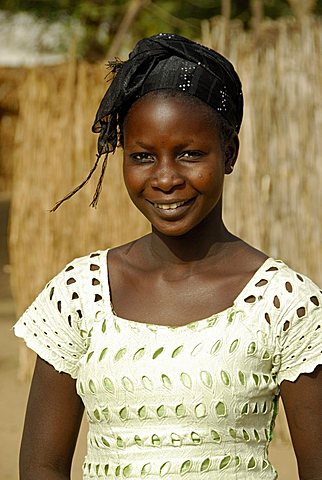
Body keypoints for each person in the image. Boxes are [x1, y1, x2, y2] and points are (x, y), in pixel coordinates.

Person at [14, 33, 322, 480]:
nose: (164, 178)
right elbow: (42, 466)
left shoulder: (284, 303)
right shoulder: (80, 294)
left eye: (190, 154)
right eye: (142, 156)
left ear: (229, 154)